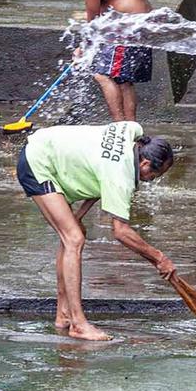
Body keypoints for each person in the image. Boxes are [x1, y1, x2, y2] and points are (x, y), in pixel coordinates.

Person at [16, 121, 176, 341]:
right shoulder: (120, 178)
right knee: (74, 239)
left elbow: (98, 167)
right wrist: (159, 258)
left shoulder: (133, 130)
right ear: (145, 163)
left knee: (70, 236)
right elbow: (121, 232)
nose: (151, 181)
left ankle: (63, 315)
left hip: (48, 145)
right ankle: (79, 325)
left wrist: (79, 215)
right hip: (38, 163)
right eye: (154, 176)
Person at [53, 0, 154, 122]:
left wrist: (83, 49)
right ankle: (129, 128)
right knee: (123, 79)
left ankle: (120, 127)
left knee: (102, 74)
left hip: (127, 27)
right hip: (142, 20)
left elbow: (93, 23)